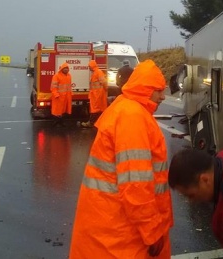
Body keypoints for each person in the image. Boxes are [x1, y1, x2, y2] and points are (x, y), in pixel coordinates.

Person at [69, 59, 173, 259]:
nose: (163, 96)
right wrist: (152, 231)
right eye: (158, 90)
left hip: (111, 225)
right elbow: (136, 185)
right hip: (120, 235)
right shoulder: (132, 117)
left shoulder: (127, 109)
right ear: (144, 89)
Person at [81, 59, 108, 128]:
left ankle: (91, 122)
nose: (89, 68)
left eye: (89, 66)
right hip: (96, 94)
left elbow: (104, 82)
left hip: (98, 94)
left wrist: (105, 90)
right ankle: (98, 122)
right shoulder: (96, 72)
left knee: (95, 109)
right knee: (97, 109)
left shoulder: (98, 72)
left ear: (92, 66)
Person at [50, 62, 72, 126]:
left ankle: (61, 122)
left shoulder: (69, 75)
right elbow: (53, 87)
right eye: (65, 68)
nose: (66, 70)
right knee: (57, 110)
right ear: (61, 69)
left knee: (63, 110)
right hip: (58, 96)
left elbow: (69, 86)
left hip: (66, 96)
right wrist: (56, 94)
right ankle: (56, 122)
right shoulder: (56, 76)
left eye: (67, 68)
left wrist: (70, 93)